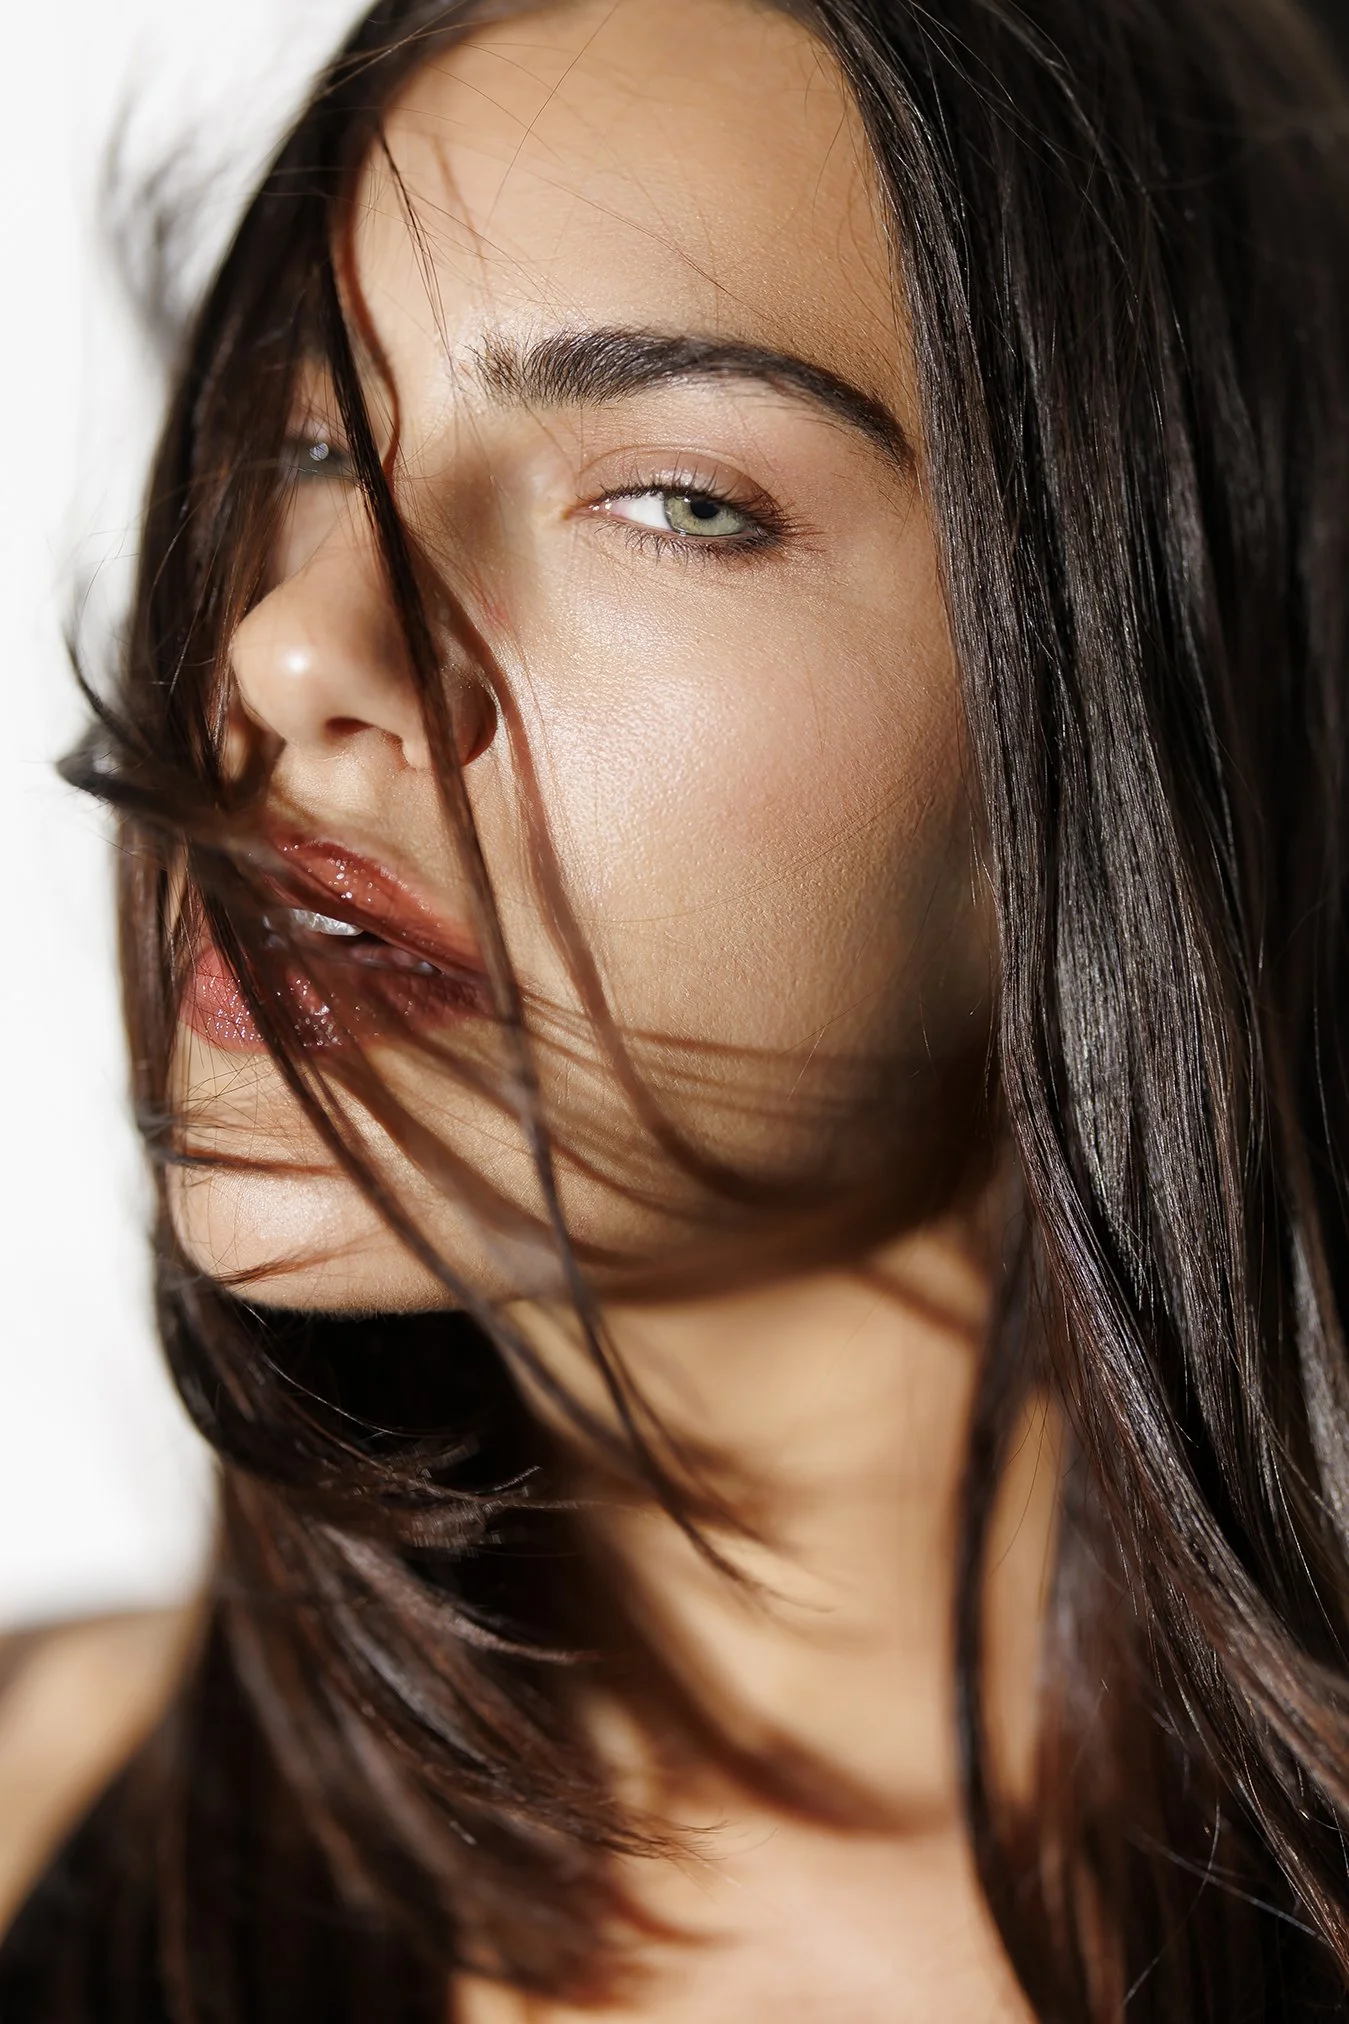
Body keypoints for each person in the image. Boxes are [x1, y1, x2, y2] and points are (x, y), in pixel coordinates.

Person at [3, 0, 1349, 2013]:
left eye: (677, 502)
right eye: (308, 442)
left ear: (1159, 732)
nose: (295, 644)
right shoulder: (42, 1790)